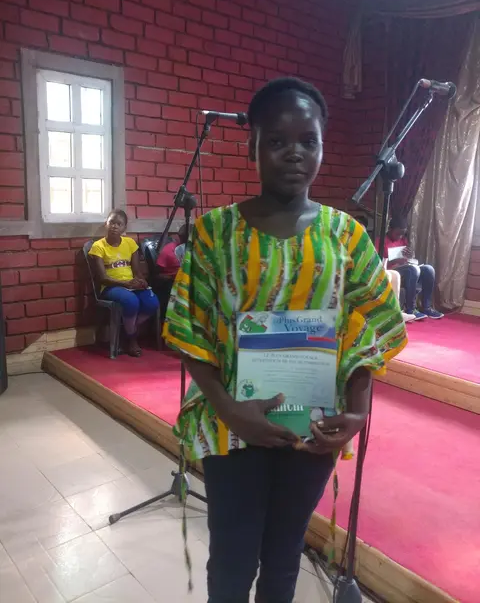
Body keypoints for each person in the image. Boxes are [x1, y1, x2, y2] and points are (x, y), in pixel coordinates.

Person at [163, 78, 407, 603]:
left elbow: (370, 327)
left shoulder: (346, 235)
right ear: (252, 145)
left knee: (284, 554)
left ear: (322, 145)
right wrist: (230, 410)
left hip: (313, 427)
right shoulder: (214, 233)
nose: (294, 153)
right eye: (276, 140)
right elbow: (189, 329)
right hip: (231, 424)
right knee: (232, 557)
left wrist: (358, 411)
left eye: (308, 140)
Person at [89, 209, 160, 357]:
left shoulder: (130, 243)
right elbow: (102, 278)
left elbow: (137, 271)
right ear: (106, 224)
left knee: (152, 302)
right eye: (111, 222)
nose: (114, 226)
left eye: (119, 224)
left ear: (124, 228)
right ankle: (132, 339)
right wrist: (125, 284)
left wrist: (141, 281)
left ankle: (126, 330)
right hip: (111, 287)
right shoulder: (98, 246)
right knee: (131, 302)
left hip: (130, 285)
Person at [381, 216, 444, 320]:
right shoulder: (381, 241)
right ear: (390, 229)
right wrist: (395, 261)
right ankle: (410, 309)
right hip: (391, 270)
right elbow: (379, 264)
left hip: (405, 268)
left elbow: (406, 258)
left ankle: (426, 307)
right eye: (398, 233)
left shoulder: (403, 240)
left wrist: (410, 256)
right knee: (413, 269)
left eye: (403, 234)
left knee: (429, 269)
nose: (400, 236)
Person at [153, 224, 188, 323]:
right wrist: (170, 277)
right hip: (171, 282)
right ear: (180, 237)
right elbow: (156, 274)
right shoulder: (169, 250)